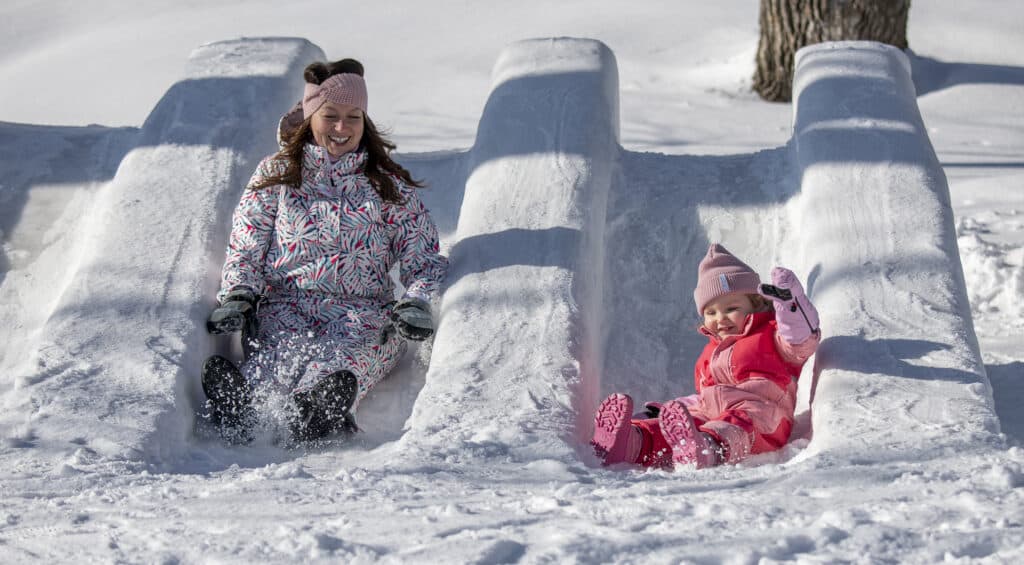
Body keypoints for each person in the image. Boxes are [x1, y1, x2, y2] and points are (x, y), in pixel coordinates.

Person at [202, 58, 448, 443]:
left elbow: (423, 254)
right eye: (330, 115)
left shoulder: (385, 185)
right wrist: (238, 293)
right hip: (286, 306)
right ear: (310, 116)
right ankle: (243, 403)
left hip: (363, 315)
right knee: (277, 355)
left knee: (341, 362)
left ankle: (320, 410)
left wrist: (415, 301)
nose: (341, 127)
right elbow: (247, 243)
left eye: (354, 116)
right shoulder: (277, 175)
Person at [591, 243, 820, 468]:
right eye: (711, 312)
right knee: (686, 423)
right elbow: (704, 395)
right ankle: (631, 441)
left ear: (755, 304)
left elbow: (800, 341)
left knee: (737, 422)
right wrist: (664, 410)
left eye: (730, 308)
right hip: (712, 411)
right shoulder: (709, 353)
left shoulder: (772, 334)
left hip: (763, 413)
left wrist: (791, 306)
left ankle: (707, 448)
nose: (720, 318)